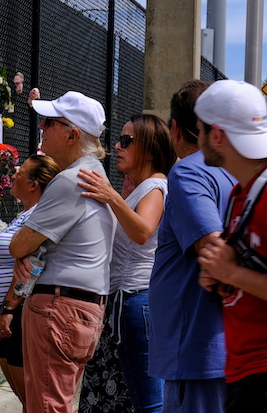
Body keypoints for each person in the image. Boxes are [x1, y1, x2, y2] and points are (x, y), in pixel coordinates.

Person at [5, 91, 116, 413]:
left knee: (47, 407)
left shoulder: (71, 180)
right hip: (76, 307)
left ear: (72, 134)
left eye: (50, 122)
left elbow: (19, 244)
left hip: (59, 307)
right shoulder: (92, 173)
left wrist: (24, 256)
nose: (41, 126)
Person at [78, 114, 177, 413]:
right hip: (127, 303)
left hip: (134, 302)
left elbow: (142, 232)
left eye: (126, 141)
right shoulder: (143, 188)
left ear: (148, 149)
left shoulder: (156, 186)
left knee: (147, 403)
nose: (117, 147)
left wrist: (112, 198)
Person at [148, 79, 236, 413]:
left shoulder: (190, 172)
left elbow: (212, 247)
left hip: (200, 352)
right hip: (224, 349)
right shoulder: (239, 173)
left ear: (175, 129)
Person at [194, 80, 267, 413]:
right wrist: (223, 278)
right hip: (244, 370)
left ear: (217, 135)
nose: (197, 140)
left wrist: (231, 272)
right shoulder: (242, 192)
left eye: (200, 130)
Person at [0, 154, 61, 409]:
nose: (14, 174)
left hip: (18, 314)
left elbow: (32, 268)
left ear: (33, 185)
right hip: (4, 314)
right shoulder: (24, 215)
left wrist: (7, 309)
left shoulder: (38, 216)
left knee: (34, 399)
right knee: (25, 397)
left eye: (21, 172)